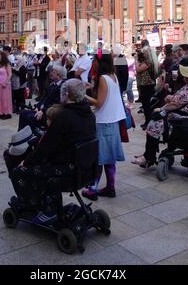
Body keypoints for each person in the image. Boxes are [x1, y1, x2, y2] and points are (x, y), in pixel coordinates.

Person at [8, 79, 96, 214]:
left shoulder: (65, 116)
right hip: (84, 168)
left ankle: (29, 204)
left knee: (18, 171)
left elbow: (45, 148)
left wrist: (26, 162)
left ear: (66, 94)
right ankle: (45, 201)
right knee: (34, 161)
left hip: (66, 169)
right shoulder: (88, 113)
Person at [132, 63, 188, 167]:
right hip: (183, 115)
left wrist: (163, 107)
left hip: (182, 117)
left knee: (154, 123)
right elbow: (180, 99)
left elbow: (177, 102)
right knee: (156, 119)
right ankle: (149, 155)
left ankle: (148, 157)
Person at [82, 52, 126, 200]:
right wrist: (91, 86)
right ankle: (110, 187)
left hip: (103, 122)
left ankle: (93, 189)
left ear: (100, 63)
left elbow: (99, 102)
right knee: (109, 158)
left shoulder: (102, 78)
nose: (93, 63)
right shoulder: (113, 76)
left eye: (94, 60)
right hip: (112, 121)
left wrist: (83, 95)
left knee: (99, 158)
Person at [18, 64, 67, 131]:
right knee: (23, 113)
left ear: (59, 75)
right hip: (42, 109)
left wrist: (43, 111)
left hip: (50, 112)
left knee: (30, 117)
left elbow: (56, 103)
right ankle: (21, 136)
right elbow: (44, 97)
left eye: (53, 72)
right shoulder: (53, 84)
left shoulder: (63, 86)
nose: (51, 73)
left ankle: (31, 136)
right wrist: (38, 107)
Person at [136, 46, 158, 129]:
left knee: (147, 105)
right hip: (145, 85)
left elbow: (138, 69)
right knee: (146, 105)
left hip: (147, 85)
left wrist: (136, 59)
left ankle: (148, 122)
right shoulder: (148, 61)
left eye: (144, 52)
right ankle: (147, 121)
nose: (143, 54)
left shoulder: (148, 62)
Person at [0, 51, 12, 120]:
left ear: (3, 56)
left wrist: (5, 83)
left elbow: (10, 74)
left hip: (4, 84)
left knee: (5, 99)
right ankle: (1, 112)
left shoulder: (7, 64)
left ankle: (7, 113)